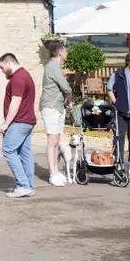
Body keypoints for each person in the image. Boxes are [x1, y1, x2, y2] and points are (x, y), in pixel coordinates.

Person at [0, 54, 37, 197]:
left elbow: (16, 102)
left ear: (8, 63)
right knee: (25, 153)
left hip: (19, 122)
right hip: (28, 120)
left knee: (8, 150)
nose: (2, 71)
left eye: (2, 67)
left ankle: (23, 185)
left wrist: (6, 123)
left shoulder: (17, 79)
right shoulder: (26, 75)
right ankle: (29, 186)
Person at [39, 41, 72, 187]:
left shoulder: (56, 66)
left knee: (57, 140)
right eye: (65, 51)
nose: (67, 53)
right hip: (51, 106)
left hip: (58, 106)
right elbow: (66, 87)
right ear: (60, 53)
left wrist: (67, 101)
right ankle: (52, 174)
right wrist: (69, 99)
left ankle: (56, 171)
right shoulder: (53, 66)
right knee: (52, 140)